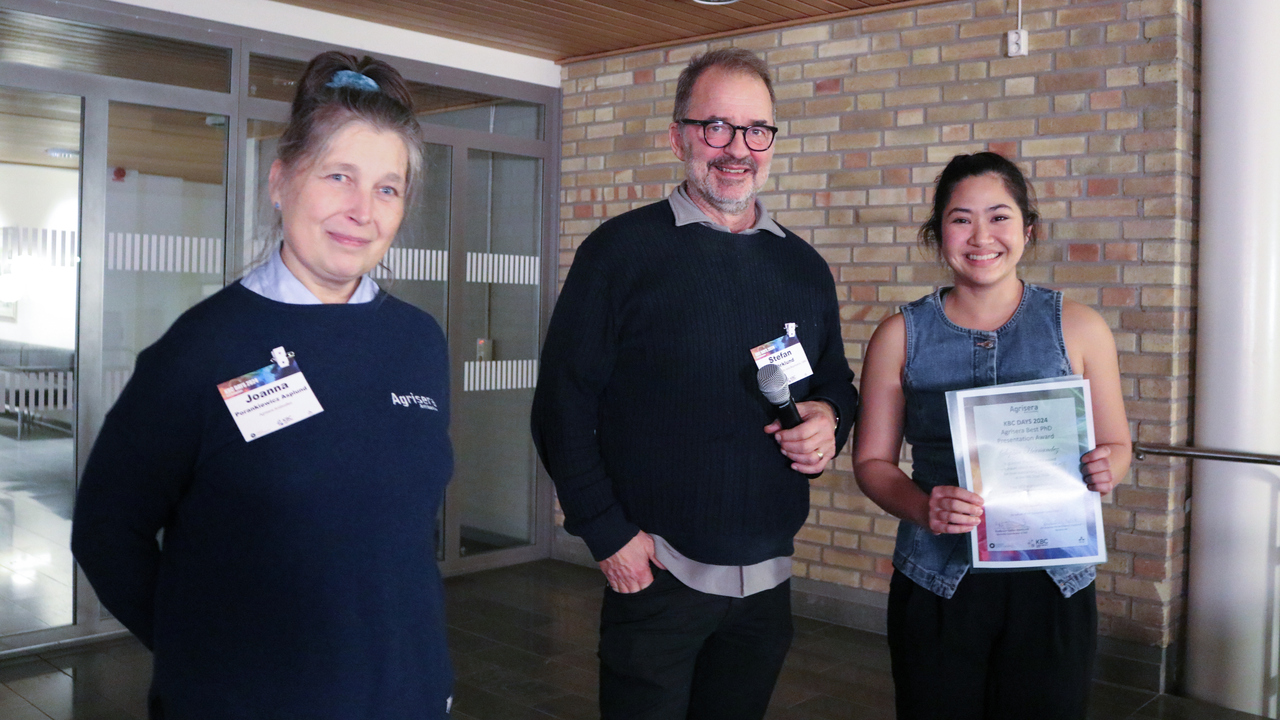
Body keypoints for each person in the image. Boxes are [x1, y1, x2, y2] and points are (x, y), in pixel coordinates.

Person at [71, 52, 454, 719]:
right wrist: (203, 657)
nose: (361, 210)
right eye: (339, 176)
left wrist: (427, 676)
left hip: (403, 696)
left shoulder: (417, 341)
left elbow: (399, 538)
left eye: (387, 188)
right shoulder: (202, 347)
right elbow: (107, 530)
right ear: (281, 182)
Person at [531, 48, 858, 720]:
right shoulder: (621, 253)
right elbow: (561, 406)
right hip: (656, 575)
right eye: (716, 127)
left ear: (771, 140)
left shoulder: (802, 267)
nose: (737, 149)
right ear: (678, 134)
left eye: (755, 130)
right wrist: (606, 535)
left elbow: (835, 384)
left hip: (767, 581)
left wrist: (830, 421)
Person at [852, 151, 1131, 719]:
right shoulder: (899, 334)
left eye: (999, 216)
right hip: (937, 578)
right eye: (961, 218)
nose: (981, 236)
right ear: (938, 233)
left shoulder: (1080, 327)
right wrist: (923, 504)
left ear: (1029, 229)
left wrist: (1110, 467)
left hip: (1054, 578)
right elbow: (872, 463)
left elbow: (1118, 445)